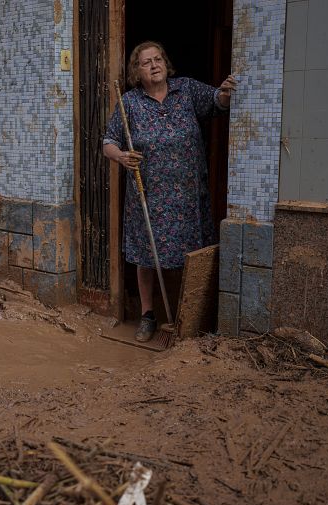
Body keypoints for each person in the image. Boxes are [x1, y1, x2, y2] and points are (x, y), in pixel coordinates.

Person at [103, 41, 237, 342]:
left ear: (166, 63)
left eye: (158, 58)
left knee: (191, 250)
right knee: (147, 256)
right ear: (137, 72)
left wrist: (226, 93)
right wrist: (122, 157)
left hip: (188, 195)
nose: (154, 64)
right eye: (146, 62)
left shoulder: (186, 90)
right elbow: (108, 142)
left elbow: (218, 101)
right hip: (148, 196)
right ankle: (148, 315)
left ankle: (189, 318)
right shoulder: (130, 103)